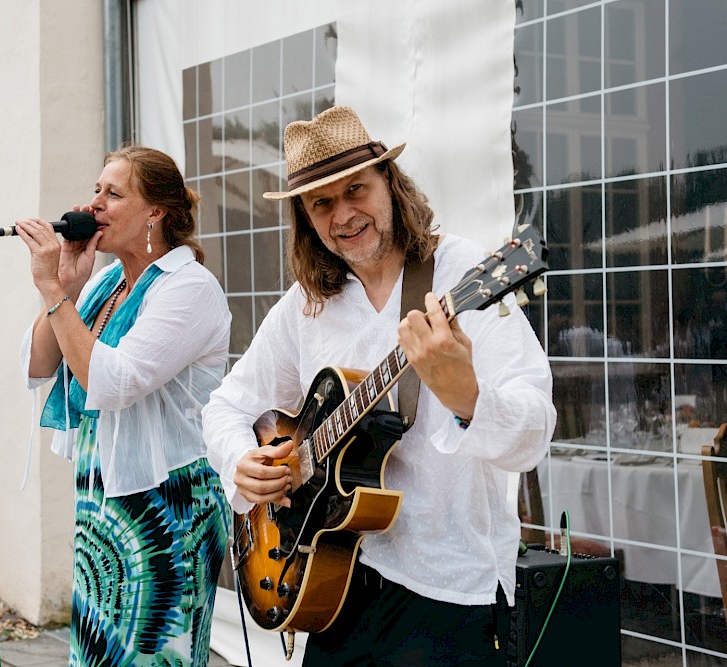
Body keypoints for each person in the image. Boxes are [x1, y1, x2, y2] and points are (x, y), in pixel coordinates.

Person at [202, 106, 557, 666]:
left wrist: (466, 396)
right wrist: (242, 458)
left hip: (446, 592)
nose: (343, 214)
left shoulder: (462, 276)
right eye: (322, 203)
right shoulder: (308, 305)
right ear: (305, 218)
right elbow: (226, 405)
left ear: (390, 184)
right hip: (334, 585)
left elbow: (534, 430)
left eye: (356, 190)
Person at [16, 145, 231, 667]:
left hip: (165, 508)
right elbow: (39, 362)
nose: (94, 206)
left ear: (156, 212)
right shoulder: (107, 282)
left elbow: (110, 383)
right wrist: (65, 287)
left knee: (153, 656)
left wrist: (52, 291)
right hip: (104, 502)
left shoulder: (189, 289)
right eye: (96, 190)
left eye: (113, 194)